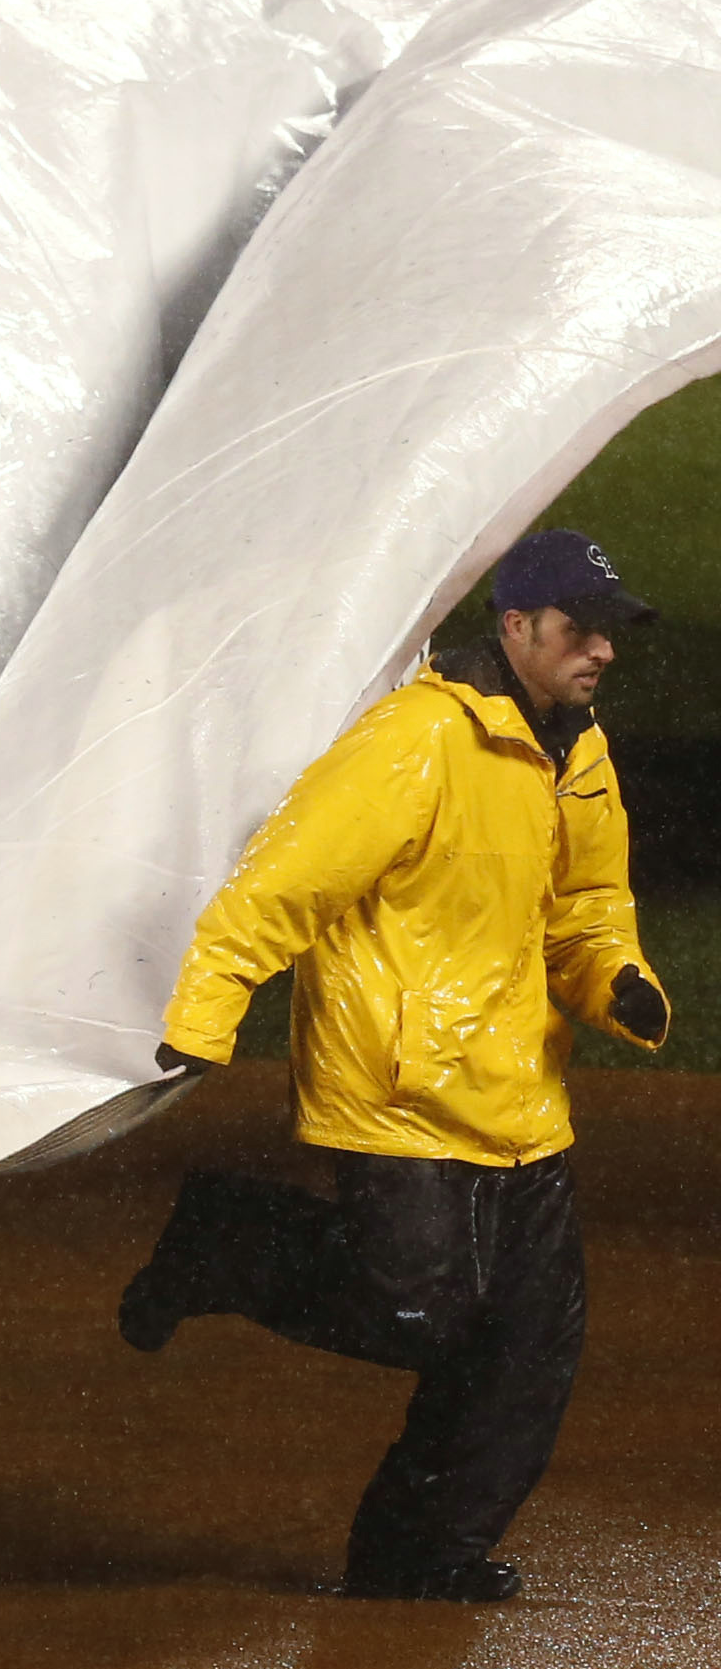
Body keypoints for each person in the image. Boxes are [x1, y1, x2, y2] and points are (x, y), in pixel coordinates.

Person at [112, 528, 668, 1600]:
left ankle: (421, 1552)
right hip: (399, 1092)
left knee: (526, 1353)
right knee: (416, 1312)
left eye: (611, 632)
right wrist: (210, 1007)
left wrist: (616, 979)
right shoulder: (415, 740)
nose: (601, 650)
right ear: (515, 626)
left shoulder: (578, 751)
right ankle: (225, 1243)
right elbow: (285, 882)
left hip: (520, 1095)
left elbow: (587, 910)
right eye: (580, 629)